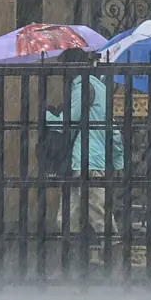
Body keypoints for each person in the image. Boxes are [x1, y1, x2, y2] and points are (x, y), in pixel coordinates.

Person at [47, 47, 124, 265]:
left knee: (93, 214)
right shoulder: (100, 87)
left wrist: (45, 115)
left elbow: (68, 121)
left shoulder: (82, 88)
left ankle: (110, 262)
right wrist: (118, 160)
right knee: (72, 215)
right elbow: (114, 129)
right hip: (92, 159)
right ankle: (74, 262)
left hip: (84, 160)